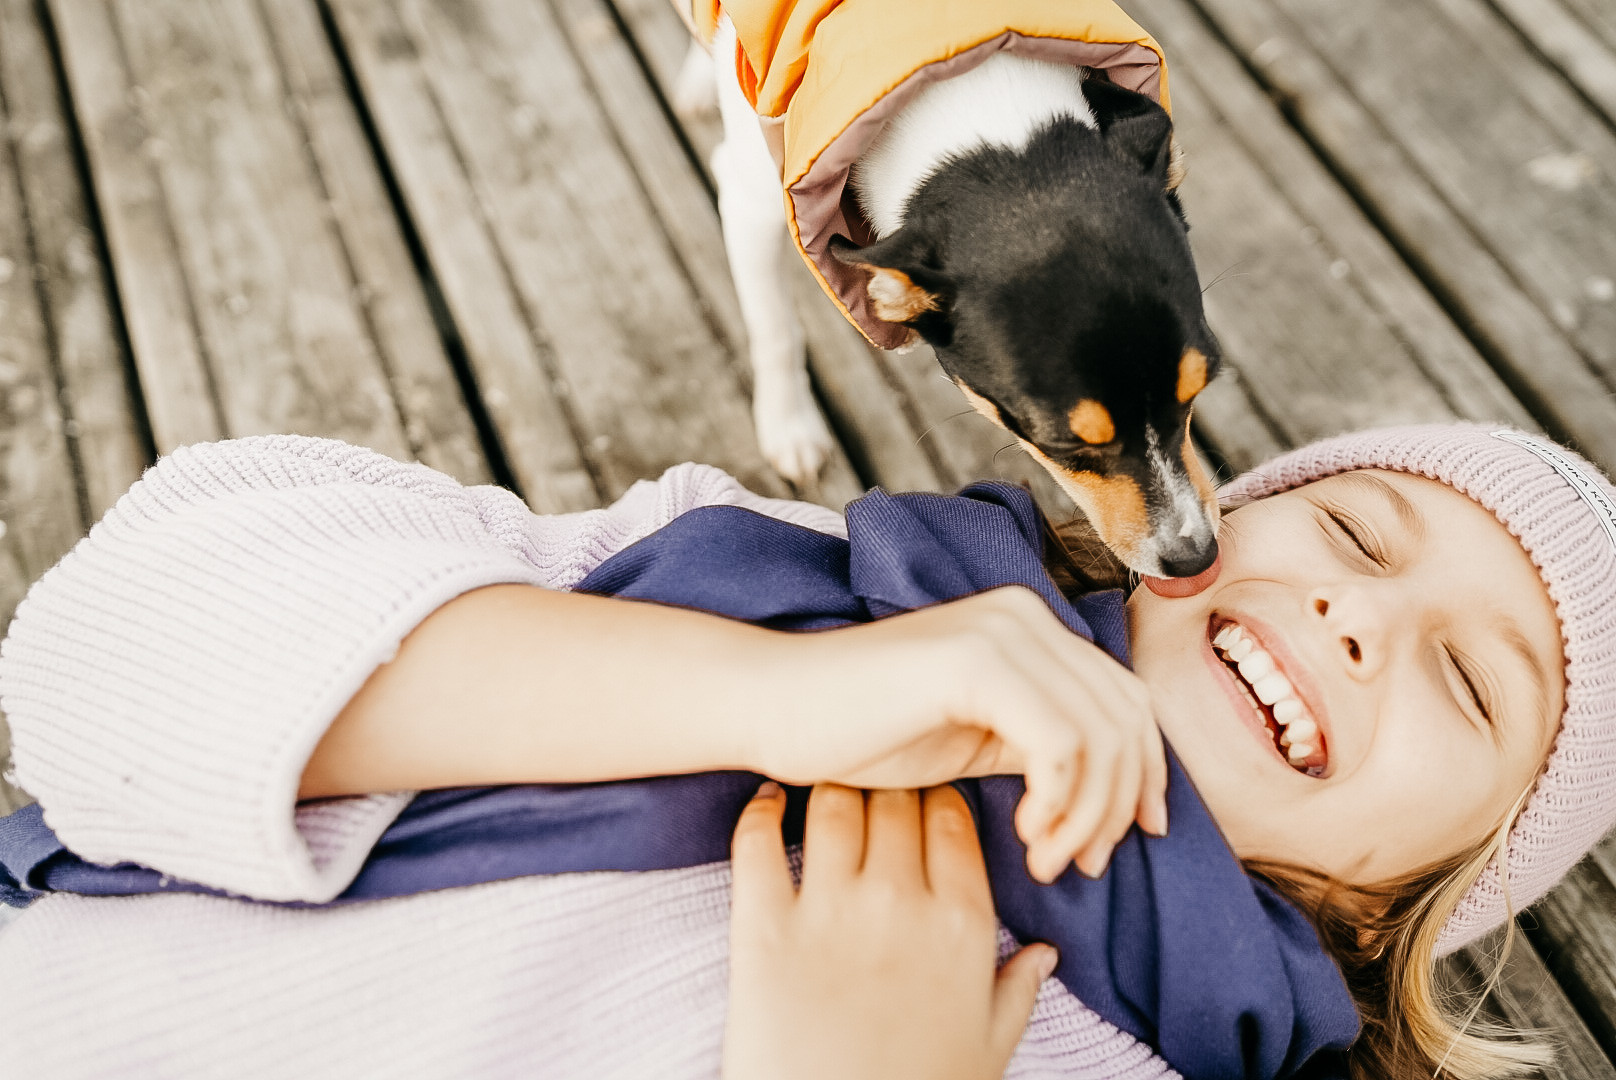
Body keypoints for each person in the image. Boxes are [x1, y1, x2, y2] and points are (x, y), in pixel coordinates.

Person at [0, 423, 1612, 1079]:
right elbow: (94, 663)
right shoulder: (819, 575)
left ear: (1402, 904)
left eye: (1471, 689)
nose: (1358, 618)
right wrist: (754, 694)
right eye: (1350, 526)